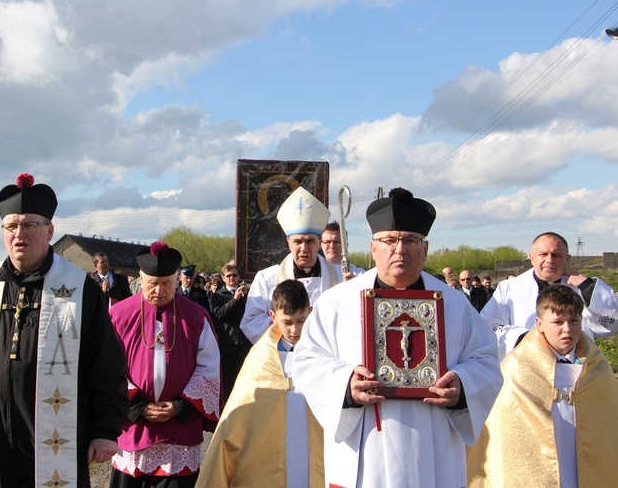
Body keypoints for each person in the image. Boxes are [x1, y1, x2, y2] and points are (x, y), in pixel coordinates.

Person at [293, 187, 502, 487]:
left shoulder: (454, 303)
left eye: (410, 241)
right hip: (366, 445)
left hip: (434, 447)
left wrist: (463, 385)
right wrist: (346, 384)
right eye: (389, 241)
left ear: (425, 249)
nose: (399, 250)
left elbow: (486, 360)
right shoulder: (338, 301)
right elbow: (306, 361)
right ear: (373, 248)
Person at [0, 173, 129, 487]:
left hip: (58, 442)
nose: (19, 234)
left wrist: (105, 430)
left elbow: (107, 363)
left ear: (49, 230)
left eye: (29, 225)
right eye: (11, 226)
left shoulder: (81, 290)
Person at [468, 284, 618, 487]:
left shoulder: (597, 368)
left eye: (574, 321)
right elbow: (502, 426)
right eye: (558, 322)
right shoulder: (516, 367)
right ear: (539, 324)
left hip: (585, 458)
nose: (567, 329)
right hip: (535, 465)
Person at [109, 241, 220, 488]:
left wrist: (180, 406)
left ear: (178, 279)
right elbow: (108, 367)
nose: (159, 290)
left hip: (179, 426)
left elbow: (209, 366)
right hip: (134, 425)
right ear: (140, 278)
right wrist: (137, 405)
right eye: (152, 283)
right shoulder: (118, 315)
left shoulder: (195, 315)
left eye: (166, 283)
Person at [197, 279, 324, 487]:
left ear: (310, 312)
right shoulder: (260, 358)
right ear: (273, 317)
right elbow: (237, 414)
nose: (295, 330)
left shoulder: (323, 352)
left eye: (301, 320)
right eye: (287, 322)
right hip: (269, 460)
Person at [481, 231, 618, 359]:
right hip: (527, 364)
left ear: (567, 259)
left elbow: (610, 325)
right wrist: (524, 337)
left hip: (576, 367)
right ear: (531, 258)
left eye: (556, 255)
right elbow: (486, 325)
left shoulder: (581, 289)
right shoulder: (509, 288)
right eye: (543, 254)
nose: (549, 260)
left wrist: (588, 287)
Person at [241, 186, 338, 344]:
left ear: (319, 243)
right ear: (288, 242)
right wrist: (283, 326)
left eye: (310, 241)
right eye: (298, 241)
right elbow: (251, 322)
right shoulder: (267, 278)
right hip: (283, 357)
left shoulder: (340, 277)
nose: (304, 248)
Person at [210, 263, 252, 402]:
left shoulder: (247, 294)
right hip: (227, 342)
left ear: (239, 276)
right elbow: (219, 315)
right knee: (227, 379)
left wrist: (243, 297)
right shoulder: (218, 296)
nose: (231, 278)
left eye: (234, 275)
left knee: (244, 377)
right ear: (223, 277)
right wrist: (234, 300)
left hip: (244, 341)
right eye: (228, 276)